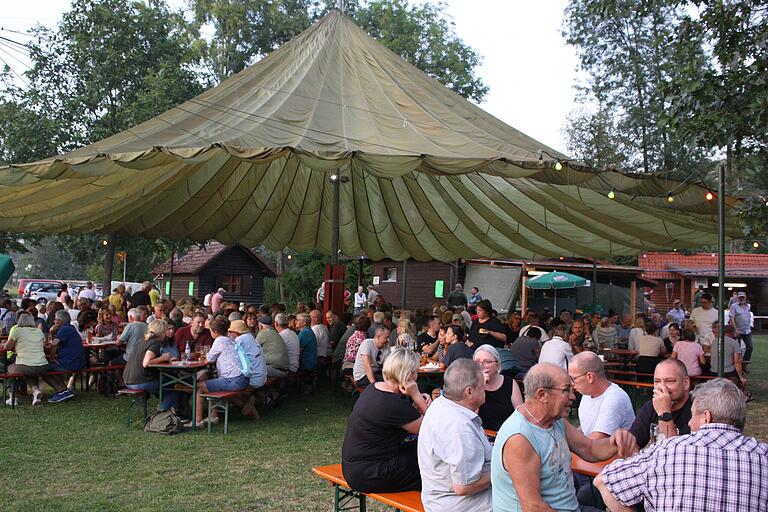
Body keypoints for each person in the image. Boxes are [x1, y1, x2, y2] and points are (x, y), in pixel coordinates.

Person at [595, 379, 768, 512]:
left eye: (692, 416)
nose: (690, 423)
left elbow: (604, 481)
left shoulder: (667, 450)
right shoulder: (764, 456)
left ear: (706, 417)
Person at [490, 363, 634, 512]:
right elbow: (533, 507)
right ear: (542, 395)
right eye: (566, 390)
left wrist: (616, 442)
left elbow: (590, 448)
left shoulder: (555, 420)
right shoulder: (520, 438)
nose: (573, 396)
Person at [342, 349, 430, 492]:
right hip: (371, 473)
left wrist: (414, 405)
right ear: (408, 375)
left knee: (420, 450)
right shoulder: (393, 404)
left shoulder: (373, 389)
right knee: (433, 465)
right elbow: (432, 431)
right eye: (415, 372)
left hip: (356, 467)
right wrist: (417, 396)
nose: (417, 376)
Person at [418, 359, 494, 511]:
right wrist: (505, 469)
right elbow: (464, 487)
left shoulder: (442, 403)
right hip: (461, 506)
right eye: (482, 386)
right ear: (469, 392)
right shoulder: (459, 428)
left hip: (439, 499)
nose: (485, 388)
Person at [568, 352, 635, 506]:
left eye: (573, 378)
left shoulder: (614, 398)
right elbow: (584, 431)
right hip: (588, 465)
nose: (572, 384)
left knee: (577, 503)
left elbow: (593, 441)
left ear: (590, 377)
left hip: (609, 473)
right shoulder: (587, 395)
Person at [192, 317, 250, 427]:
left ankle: (197, 421)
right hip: (242, 378)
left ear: (215, 331)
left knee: (199, 387)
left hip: (233, 380)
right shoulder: (229, 339)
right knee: (212, 382)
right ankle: (214, 416)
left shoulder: (219, 341)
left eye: (210, 331)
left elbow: (209, 359)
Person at [628, 358, 692, 452]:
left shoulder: (698, 409)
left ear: (686, 383)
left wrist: (664, 413)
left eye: (669, 381)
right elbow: (633, 445)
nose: (662, 387)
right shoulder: (651, 406)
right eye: (657, 381)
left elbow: (676, 455)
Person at [123, 319, 183, 411]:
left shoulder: (143, 340)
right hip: (140, 381)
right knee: (174, 387)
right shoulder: (155, 343)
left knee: (165, 385)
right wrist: (163, 358)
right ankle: (161, 414)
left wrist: (163, 360)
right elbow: (146, 363)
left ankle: (174, 411)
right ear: (162, 332)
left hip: (128, 379)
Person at [3, 312, 50, 406]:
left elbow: (7, 347)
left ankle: (12, 397)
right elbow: (44, 344)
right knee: (30, 372)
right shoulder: (38, 331)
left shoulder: (17, 330)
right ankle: (35, 391)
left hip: (24, 364)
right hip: (43, 365)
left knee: (9, 370)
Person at [473, 345, 523, 431]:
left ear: (497, 365)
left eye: (487, 362)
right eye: (477, 362)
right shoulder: (471, 385)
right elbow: (472, 420)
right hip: (482, 436)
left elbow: (521, 417)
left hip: (507, 436)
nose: (481, 366)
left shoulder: (510, 383)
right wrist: (480, 386)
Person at [729, 291, 753, 367]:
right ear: (738, 298)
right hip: (738, 331)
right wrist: (735, 329)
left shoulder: (748, 306)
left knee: (750, 347)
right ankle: (736, 365)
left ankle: (744, 365)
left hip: (747, 330)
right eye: (740, 297)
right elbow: (732, 318)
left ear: (745, 297)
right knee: (737, 350)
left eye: (743, 297)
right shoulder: (734, 306)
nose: (742, 298)